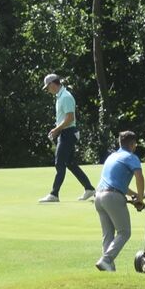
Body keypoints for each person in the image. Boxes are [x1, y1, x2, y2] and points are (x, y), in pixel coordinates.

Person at [39, 74, 97, 203]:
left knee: (59, 162)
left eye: (47, 87)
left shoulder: (65, 97)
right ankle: (89, 189)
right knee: (70, 164)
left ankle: (54, 194)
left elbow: (70, 118)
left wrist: (56, 129)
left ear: (53, 84)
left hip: (68, 134)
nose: (47, 90)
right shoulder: (60, 96)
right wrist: (57, 130)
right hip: (65, 133)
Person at [93, 131, 145, 272]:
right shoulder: (131, 157)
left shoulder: (112, 156)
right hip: (112, 196)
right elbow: (139, 177)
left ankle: (109, 269)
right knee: (124, 232)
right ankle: (106, 260)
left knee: (108, 235)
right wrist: (140, 200)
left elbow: (118, 183)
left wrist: (136, 194)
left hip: (99, 197)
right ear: (132, 144)